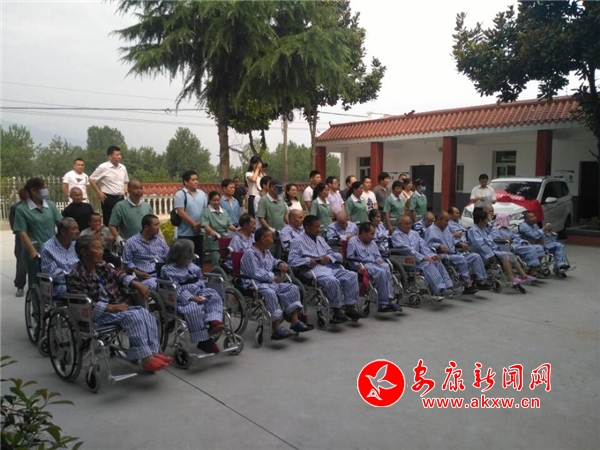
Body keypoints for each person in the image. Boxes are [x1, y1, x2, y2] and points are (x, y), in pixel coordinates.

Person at [67, 235, 172, 372]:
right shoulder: (76, 274)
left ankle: (153, 351)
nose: (101, 252)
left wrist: (136, 283)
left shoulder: (102, 266)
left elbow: (119, 275)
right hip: (97, 314)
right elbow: (81, 301)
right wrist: (110, 307)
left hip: (115, 308)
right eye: (97, 248)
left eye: (102, 248)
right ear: (84, 252)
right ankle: (146, 358)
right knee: (133, 317)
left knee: (145, 313)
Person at [288, 215, 364, 323]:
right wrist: (310, 260)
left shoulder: (320, 239)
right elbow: (292, 261)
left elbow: (331, 253)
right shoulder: (297, 241)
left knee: (352, 275)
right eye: (316, 227)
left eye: (319, 226)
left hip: (328, 267)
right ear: (307, 228)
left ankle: (350, 307)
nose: (319, 229)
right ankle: (336, 311)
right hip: (311, 270)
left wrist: (329, 258)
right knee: (332, 281)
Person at [241, 228, 313, 339]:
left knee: (293, 288)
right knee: (270, 293)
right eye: (270, 237)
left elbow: (274, 261)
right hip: (254, 283)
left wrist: (280, 264)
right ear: (263, 239)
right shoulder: (250, 254)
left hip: (269, 283)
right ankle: (276, 327)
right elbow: (255, 273)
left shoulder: (266, 252)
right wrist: (272, 277)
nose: (272, 240)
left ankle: (294, 320)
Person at [162, 239, 226, 354]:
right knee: (193, 308)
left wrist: (201, 293)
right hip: (182, 299)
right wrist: (192, 298)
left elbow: (200, 280)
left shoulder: (193, 266)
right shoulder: (168, 270)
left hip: (199, 291)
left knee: (213, 295)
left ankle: (214, 322)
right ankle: (204, 341)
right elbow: (175, 289)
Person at [13, 178, 62, 289]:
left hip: (52, 250)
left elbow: (61, 224)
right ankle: (35, 300)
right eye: (44, 188)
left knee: (56, 281)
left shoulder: (51, 205)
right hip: (35, 251)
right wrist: (32, 252)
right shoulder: (22, 209)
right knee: (36, 283)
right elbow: (22, 233)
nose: (46, 190)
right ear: (33, 190)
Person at [425, 211, 491, 293]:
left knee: (475, 256)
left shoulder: (446, 229)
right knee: (460, 259)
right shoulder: (430, 231)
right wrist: (438, 246)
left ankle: (481, 280)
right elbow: (428, 245)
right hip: (442, 255)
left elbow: (452, 241)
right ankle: (467, 284)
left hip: (454, 252)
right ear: (439, 219)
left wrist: (459, 243)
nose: (447, 223)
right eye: (446, 221)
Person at [391, 215, 453, 300]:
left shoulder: (415, 233)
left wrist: (431, 255)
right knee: (428, 264)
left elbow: (423, 246)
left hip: (418, 259)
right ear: (399, 225)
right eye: (406, 224)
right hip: (407, 261)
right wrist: (423, 257)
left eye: (410, 223)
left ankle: (448, 285)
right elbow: (406, 249)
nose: (409, 226)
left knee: (436, 261)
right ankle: (440, 289)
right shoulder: (396, 235)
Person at [468, 209, 532, 286]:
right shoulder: (473, 230)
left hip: (492, 250)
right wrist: (491, 255)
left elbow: (489, 240)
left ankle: (523, 275)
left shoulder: (482, 229)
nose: (487, 222)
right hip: (484, 253)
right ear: (481, 220)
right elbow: (480, 245)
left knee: (511, 255)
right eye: (486, 220)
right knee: (506, 256)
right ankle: (511, 278)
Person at [347, 222, 400, 312]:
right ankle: (383, 303)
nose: (373, 236)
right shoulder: (353, 241)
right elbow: (350, 258)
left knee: (386, 266)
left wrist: (379, 259)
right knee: (381, 272)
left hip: (375, 263)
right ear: (363, 233)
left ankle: (390, 298)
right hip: (364, 265)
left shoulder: (372, 243)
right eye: (371, 234)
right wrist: (358, 267)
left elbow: (377, 256)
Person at [122, 215, 170, 291]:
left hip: (163, 273)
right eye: (156, 225)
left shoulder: (160, 241)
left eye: (159, 224)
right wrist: (138, 273)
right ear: (146, 227)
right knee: (160, 286)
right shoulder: (131, 242)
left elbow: (169, 256)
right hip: (145, 277)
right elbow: (127, 263)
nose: (158, 227)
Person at [173, 170, 207, 265]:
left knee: (199, 258)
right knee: (185, 259)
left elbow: (206, 211)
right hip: (185, 233)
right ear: (186, 182)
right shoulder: (180, 194)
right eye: (193, 180)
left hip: (199, 233)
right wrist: (194, 224)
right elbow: (181, 212)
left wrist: (200, 223)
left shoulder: (202, 194)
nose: (196, 182)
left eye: (197, 179)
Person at [40, 218, 80, 297]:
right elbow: (52, 273)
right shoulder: (47, 248)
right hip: (61, 285)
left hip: (80, 280)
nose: (77, 231)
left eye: (77, 228)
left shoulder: (77, 244)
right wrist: (73, 277)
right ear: (63, 232)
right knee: (83, 292)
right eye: (74, 229)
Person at [89, 146, 129, 227]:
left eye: (120, 154)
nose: (119, 157)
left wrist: (126, 190)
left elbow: (125, 181)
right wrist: (99, 193)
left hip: (120, 197)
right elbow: (91, 179)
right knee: (109, 221)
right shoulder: (103, 167)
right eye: (117, 155)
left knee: (121, 220)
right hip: (108, 198)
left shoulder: (122, 168)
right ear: (110, 156)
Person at [201, 191, 239, 267]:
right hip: (213, 241)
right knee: (217, 262)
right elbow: (205, 225)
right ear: (209, 201)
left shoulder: (224, 211)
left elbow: (229, 224)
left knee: (227, 262)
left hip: (224, 240)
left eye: (218, 200)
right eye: (214, 200)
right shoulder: (206, 211)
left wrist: (237, 230)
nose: (216, 202)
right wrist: (213, 232)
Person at [256, 179, 287, 258]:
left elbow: (285, 214)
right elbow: (261, 217)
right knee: (269, 256)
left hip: (281, 234)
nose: (282, 189)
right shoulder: (263, 200)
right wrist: (270, 229)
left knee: (278, 256)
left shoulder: (281, 199)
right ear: (272, 187)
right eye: (279, 188)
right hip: (269, 235)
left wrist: (289, 226)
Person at [9, 188, 28, 297]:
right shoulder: (16, 208)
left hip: (36, 236)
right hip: (21, 238)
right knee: (22, 262)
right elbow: (14, 226)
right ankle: (20, 286)